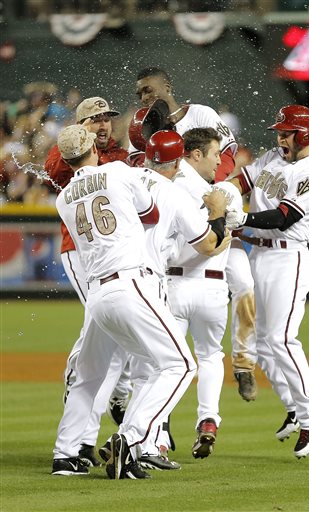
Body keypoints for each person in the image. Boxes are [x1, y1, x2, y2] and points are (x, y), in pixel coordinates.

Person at [51, 124, 197, 479]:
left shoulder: (63, 198)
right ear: (93, 149)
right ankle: (130, 440)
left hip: (97, 295)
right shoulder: (117, 171)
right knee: (180, 366)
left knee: (88, 375)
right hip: (132, 283)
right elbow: (151, 216)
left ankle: (66, 455)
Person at [129, 66, 258, 401]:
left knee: (244, 283)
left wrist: (210, 189)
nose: (144, 97)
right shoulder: (145, 128)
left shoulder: (200, 113)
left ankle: (243, 364)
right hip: (178, 227)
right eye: (140, 93)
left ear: (167, 85)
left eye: (148, 89)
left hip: (211, 210)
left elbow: (227, 154)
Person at [226, 105, 309, 459]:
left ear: (305, 134)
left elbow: (284, 218)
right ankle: (294, 408)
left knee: (282, 338)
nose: (280, 136)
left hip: (288, 256)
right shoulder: (274, 156)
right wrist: (221, 191)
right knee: (264, 342)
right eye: (280, 131)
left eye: (286, 132)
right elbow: (244, 180)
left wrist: (241, 218)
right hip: (259, 254)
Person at [45, 96, 130, 466]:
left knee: (110, 335)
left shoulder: (118, 157)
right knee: (100, 329)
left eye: (106, 118)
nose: (102, 124)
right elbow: (57, 162)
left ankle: (85, 430)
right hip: (79, 251)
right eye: (93, 120)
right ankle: (79, 376)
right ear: (78, 128)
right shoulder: (69, 155)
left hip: (105, 253)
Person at [165, 127, 235, 459]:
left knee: (164, 363)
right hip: (212, 287)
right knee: (210, 356)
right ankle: (208, 420)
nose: (218, 160)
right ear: (195, 154)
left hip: (175, 284)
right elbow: (220, 243)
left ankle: (158, 434)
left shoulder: (170, 187)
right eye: (213, 153)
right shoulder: (218, 192)